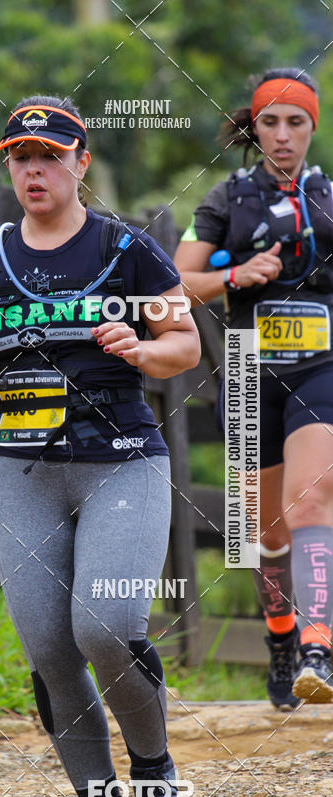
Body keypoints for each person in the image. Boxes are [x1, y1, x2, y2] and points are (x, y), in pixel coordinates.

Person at [0, 95, 200, 797]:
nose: (35, 170)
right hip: (22, 470)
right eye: (21, 157)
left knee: (104, 628)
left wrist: (144, 351)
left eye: (50, 156)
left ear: (80, 162)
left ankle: (153, 777)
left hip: (122, 463)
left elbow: (186, 345)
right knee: (48, 645)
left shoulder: (128, 252)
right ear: (11, 167)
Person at [174, 68, 333, 708]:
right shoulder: (225, 199)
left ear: (312, 127)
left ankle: (318, 648)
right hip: (246, 367)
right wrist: (237, 273)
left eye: (296, 122)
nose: (283, 134)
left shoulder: (329, 196)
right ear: (256, 126)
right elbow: (179, 283)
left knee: (310, 506)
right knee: (264, 529)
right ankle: (280, 637)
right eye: (271, 121)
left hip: (320, 366)